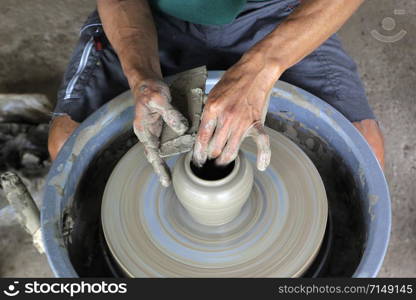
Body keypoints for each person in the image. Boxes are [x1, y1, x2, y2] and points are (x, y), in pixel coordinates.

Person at [48, 0, 384, 187]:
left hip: (275, 11)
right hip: (154, 14)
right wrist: (141, 76)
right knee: (69, 145)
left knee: (362, 152)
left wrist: (261, 68)